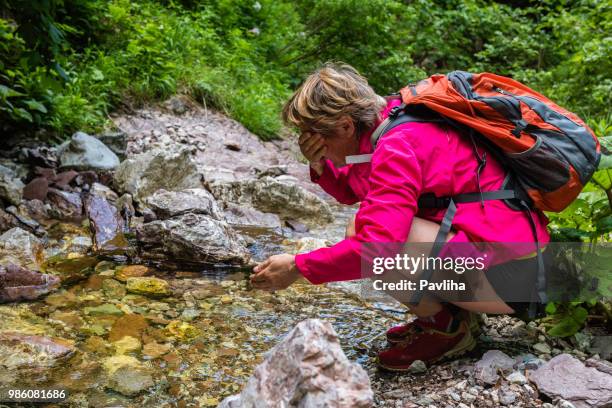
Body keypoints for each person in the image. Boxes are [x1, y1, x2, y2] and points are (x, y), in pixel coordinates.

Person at [249, 62, 550, 371]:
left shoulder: (397, 145)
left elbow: (377, 248)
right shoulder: (395, 120)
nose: (310, 145)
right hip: (515, 265)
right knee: (365, 223)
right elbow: (360, 189)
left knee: (368, 238)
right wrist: (321, 165)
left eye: (314, 137)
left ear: (344, 126)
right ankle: (455, 317)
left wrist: (299, 267)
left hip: (513, 282)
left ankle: (446, 329)